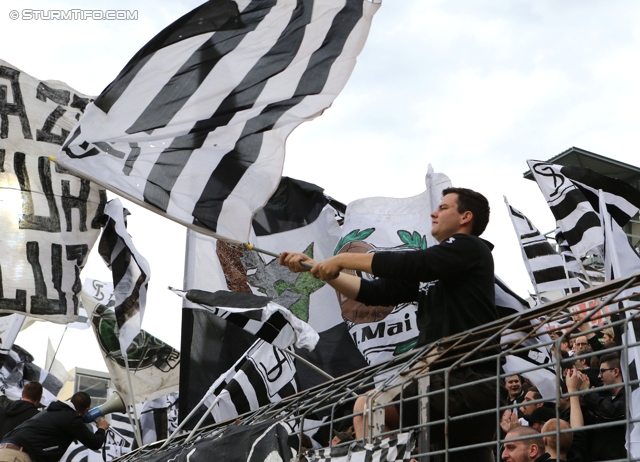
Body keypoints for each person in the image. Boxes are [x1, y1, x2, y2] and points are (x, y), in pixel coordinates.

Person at [281, 187, 500, 461]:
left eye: (444, 208)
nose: (434, 212)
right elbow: (375, 293)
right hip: (438, 382)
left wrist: (342, 259)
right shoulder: (439, 266)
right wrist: (320, 269)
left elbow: (414, 262)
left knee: (371, 406)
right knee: (367, 407)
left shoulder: (470, 248)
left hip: (468, 380)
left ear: (466, 217)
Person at [0, 391, 109, 462]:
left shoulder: (50, 411)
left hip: (4, 450)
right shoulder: (71, 417)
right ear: (86, 410)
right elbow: (95, 443)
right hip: (18, 456)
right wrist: (101, 428)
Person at [582, 353, 626, 461]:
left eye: (602, 371)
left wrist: (587, 393)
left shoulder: (631, 396)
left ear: (616, 372)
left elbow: (611, 412)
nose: (598, 376)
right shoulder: (610, 399)